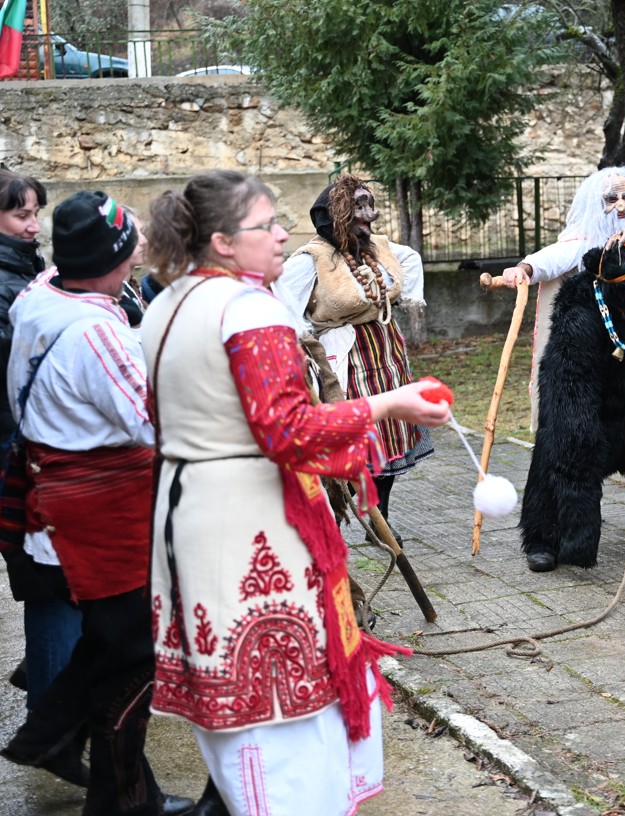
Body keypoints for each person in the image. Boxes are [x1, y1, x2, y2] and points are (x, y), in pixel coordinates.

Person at [142, 170, 451, 816]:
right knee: (281, 718)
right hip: (250, 520)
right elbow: (288, 429)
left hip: (187, 513)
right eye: (266, 225)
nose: (284, 234)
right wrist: (387, 404)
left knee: (239, 715)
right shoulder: (248, 308)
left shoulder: (170, 302)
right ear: (224, 242)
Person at [0, 191, 194, 814]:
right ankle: (124, 798)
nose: (141, 247)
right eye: (132, 240)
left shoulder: (42, 292)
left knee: (113, 639)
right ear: (114, 256)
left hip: (64, 496)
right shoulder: (96, 333)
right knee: (135, 654)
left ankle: (50, 735)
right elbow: (155, 424)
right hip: (99, 509)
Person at [276, 173, 432, 533]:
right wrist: (304, 339)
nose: (369, 215)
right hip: (345, 356)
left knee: (391, 437)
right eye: (359, 206)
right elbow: (281, 297)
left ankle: (382, 519)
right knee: (361, 436)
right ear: (338, 214)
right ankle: (345, 505)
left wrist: (408, 298)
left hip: (386, 351)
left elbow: (409, 259)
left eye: (369, 205)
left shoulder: (378, 247)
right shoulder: (313, 258)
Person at [498, 166, 625, 429]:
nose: (621, 206)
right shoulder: (585, 239)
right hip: (601, 342)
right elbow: (551, 259)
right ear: (599, 204)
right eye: (612, 199)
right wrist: (523, 269)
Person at [0, 170, 83, 712]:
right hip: (16, 448)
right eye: (20, 215)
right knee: (48, 576)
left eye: (36, 214)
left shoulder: (28, 270)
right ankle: (52, 716)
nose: (33, 226)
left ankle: (50, 678)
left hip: (30, 444)